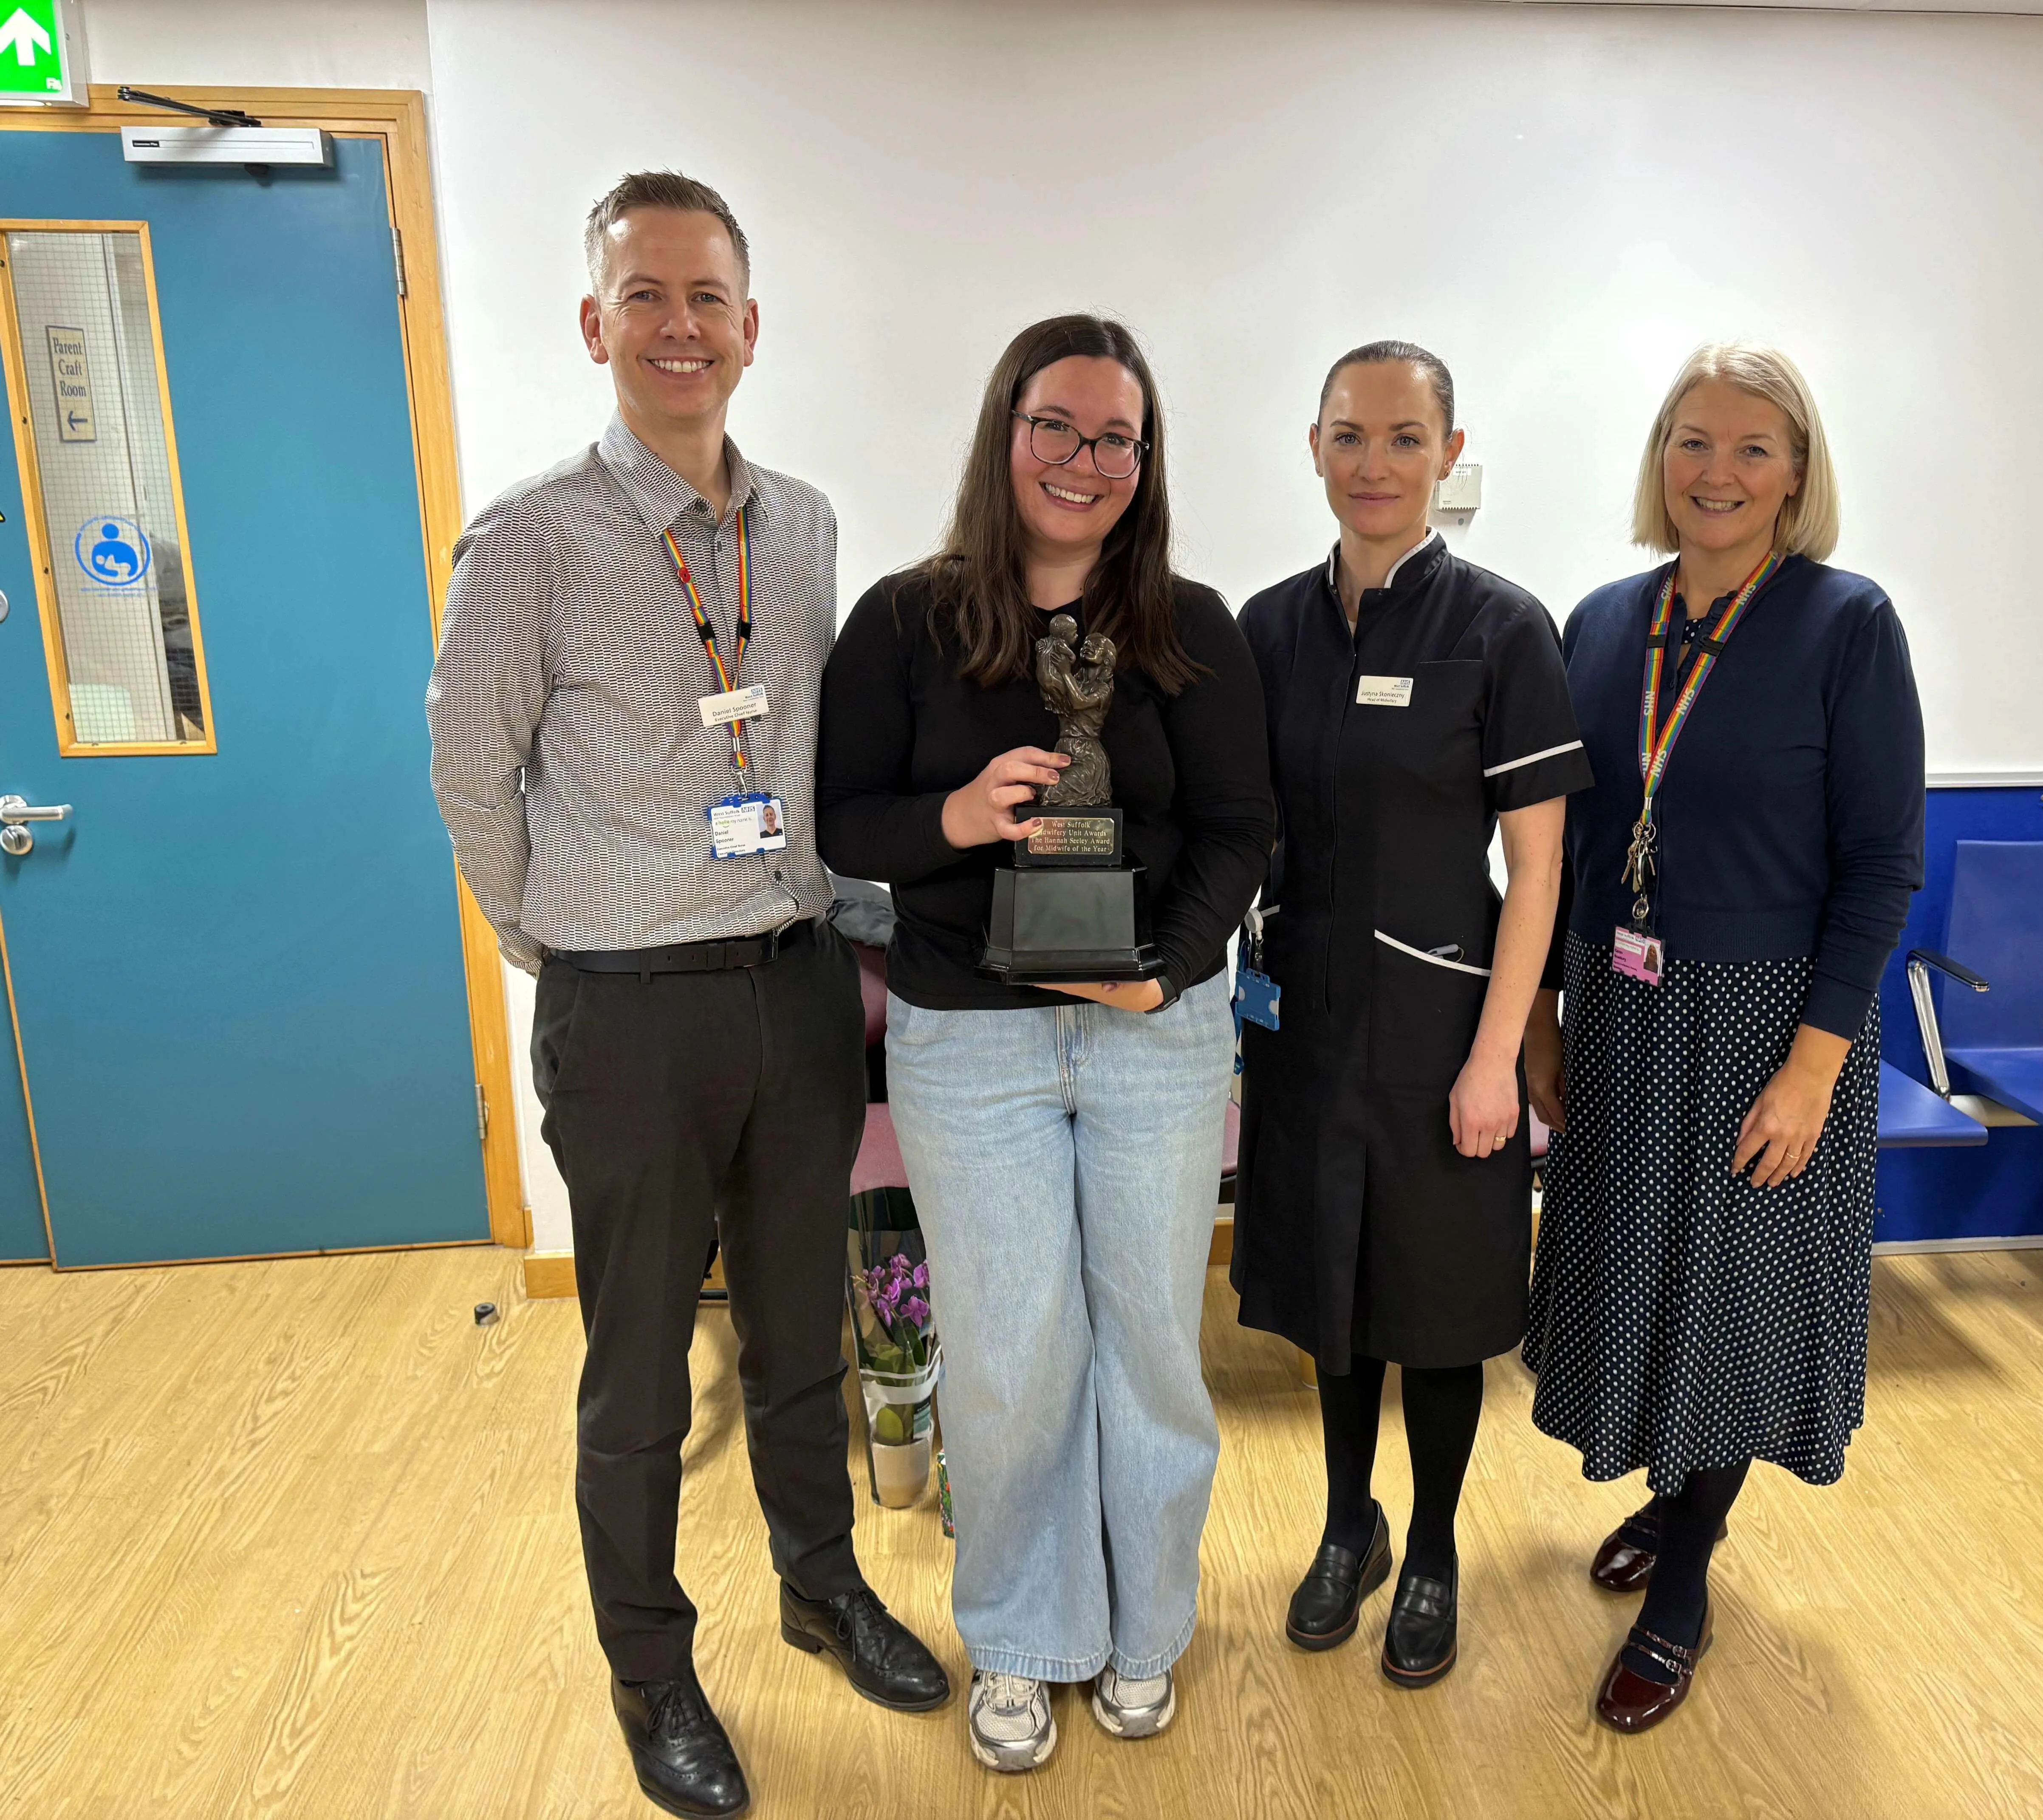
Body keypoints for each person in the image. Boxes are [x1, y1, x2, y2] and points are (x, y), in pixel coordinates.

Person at [427, 171, 947, 1820]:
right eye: (644, 296)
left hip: (793, 986)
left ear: (750, 328)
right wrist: (555, 940)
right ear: (593, 325)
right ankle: (651, 1674)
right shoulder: (525, 540)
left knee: (804, 1330)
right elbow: (467, 775)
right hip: (627, 1014)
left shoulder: (799, 525)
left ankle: (820, 1586)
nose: (678, 327)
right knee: (643, 1371)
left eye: (707, 297)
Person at [817, 315, 1272, 1774]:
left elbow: (1238, 830)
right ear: (1003, 432)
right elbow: (843, 821)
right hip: (972, 1039)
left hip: (1155, 1037)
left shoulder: (1192, 626)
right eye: (1057, 427)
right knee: (1011, 1356)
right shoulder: (904, 620)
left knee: (1151, 1347)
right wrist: (955, 817)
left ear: (1147, 459)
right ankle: (1018, 1638)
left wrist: (1165, 973)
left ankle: (1148, 1628)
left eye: (1115, 437)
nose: (1084, 460)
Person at [1522, 343, 1925, 1732]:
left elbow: (1882, 866)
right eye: (1695, 441)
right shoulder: (1598, 620)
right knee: (1644, 1271)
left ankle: (1686, 1575)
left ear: (1799, 475)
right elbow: (1562, 844)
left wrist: (1816, 1062)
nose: (1720, 472)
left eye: (1756, 449)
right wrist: (1538, 1018)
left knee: (1733, 1294)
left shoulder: (1846, 623)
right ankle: (1665, 1490)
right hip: (1621, 1007)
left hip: (1765, 1022)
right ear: (1660, 457)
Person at [1230, 342, 1590, 1689]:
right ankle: (1349, 1525)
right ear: (1312, 447)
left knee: (1435, 1310)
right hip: (1306, 1025)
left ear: (1448, 452)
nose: (1373, 465)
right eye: (1348, 437)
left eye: (1401, 438)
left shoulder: (1501, 629)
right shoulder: (1267, 629)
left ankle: (1432, 1542)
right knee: (1335, 1294)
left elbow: (1539, 865)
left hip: (1448, 1029)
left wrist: (1503, 1052)